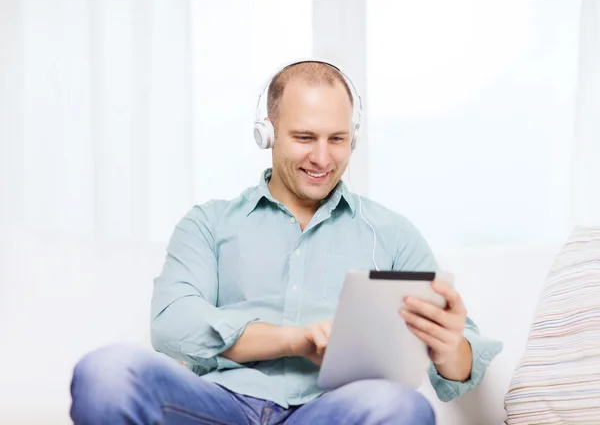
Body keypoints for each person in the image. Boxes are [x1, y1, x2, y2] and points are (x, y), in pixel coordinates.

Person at [69, 60, 503, 425]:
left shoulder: (391, 233)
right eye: (304, 138)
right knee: (106, 371)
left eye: (337, 139)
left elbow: (461, 363)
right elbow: (172, 324)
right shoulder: (209, 223)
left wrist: (449, 348)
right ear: (268, 132)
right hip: (218, 407)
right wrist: (294, 340)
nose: (322, 158)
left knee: (401, 407)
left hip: (329, 411)